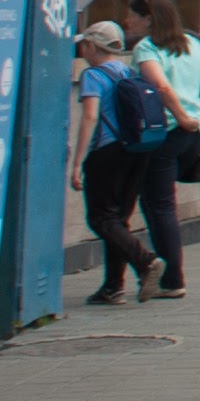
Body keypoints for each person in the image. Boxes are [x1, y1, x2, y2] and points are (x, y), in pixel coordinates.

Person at [68, 20, 172, 305]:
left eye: (84, 44)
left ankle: (146, 261)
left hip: (107, 152)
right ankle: (113, 287)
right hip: (137, 150)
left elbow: (91, 117)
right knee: (118, 220)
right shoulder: (128, 72)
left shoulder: (93, 75)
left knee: (101, 218)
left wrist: (77, 163)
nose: (82, 49)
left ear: (92, 46)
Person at [131, 0, 200, 195]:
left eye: (133, 16)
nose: (128, 21)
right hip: (195, 132)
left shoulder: (147, 48)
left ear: (148, 19)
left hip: (165, 129)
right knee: (161, 198)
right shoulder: (192, 43)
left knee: (158, 201)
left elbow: (160, 86)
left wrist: (181, 117)